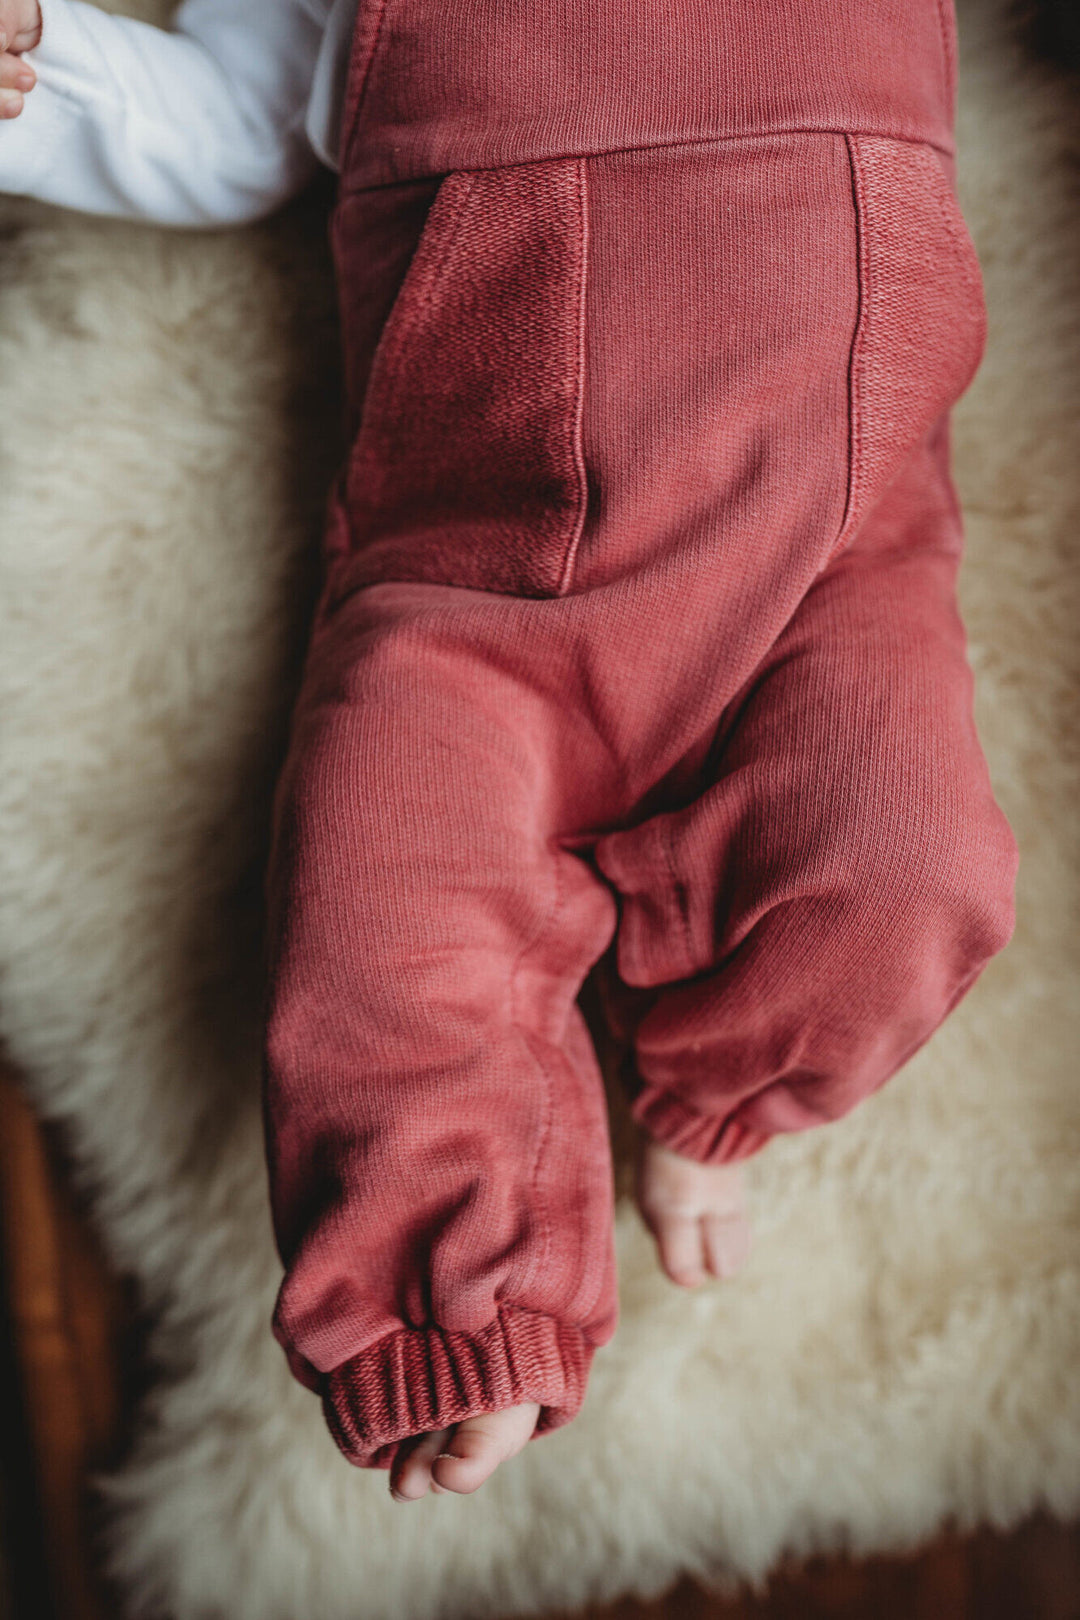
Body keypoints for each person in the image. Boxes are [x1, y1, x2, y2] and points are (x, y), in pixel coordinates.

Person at [0, 0, 1018, 1509]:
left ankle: (711, 1091)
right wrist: (46, 76)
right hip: (483, 588)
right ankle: (466, 1305)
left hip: (829, 560)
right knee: (378, 927)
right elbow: (225, 133)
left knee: (909, 867)